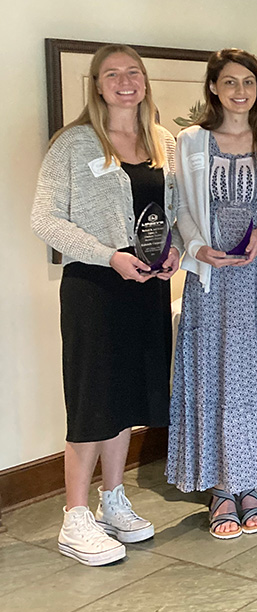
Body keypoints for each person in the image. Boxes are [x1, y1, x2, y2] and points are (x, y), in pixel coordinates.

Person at [32, 44, 180, 566]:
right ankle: (75, 516)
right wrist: (106, 255)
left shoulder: (162, 141)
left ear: (145, 82)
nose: (124, 81)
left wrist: (174, 252)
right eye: (112, 73)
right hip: (95, 289)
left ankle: (112, 498)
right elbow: (45, 220)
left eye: (133, 72)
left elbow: (175, 214)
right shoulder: (73, 143)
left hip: (147, 289)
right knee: (93, 396)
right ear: (96, 84)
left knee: (129, 394)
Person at [167, 48, 257, 540]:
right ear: (214, 88)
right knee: (217, 370)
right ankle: (223, 486)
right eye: (230, 82)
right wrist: (198, 248)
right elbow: (178, 203)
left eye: (248, 82)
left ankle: (251, 485)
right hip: (212, 276)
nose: (240, 91)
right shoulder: (190, 140)